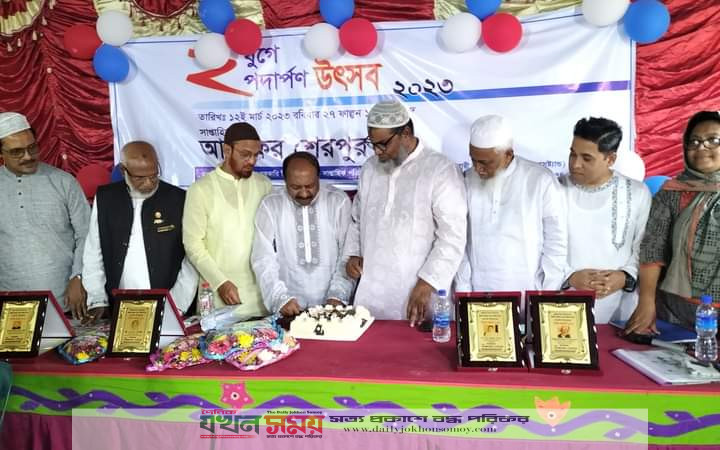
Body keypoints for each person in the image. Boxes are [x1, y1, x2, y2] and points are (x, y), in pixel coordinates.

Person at [344, 101, 467, 324]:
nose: (377, 151)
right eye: (373, 144)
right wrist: (353, 253)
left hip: (418, 296)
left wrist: (427, 282)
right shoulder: (370, 168)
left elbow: (453, 236)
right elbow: (357, 219)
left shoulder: (440, 169)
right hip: (371, 296)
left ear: (406, 133)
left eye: (383, 144)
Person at [455, 115, 567, 307]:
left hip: (528, 294)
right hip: (478, 297)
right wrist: (464, 292)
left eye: (486, 162)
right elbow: (461, 243)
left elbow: (556, 244)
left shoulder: (540, 180)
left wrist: (545, 297)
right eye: (474, 160)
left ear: (508, 154)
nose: (479, 169)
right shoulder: (465, 180)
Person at [626, 111, 720, 333]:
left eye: (713, 140)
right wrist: (646, 302)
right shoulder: (672, 193)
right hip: (679, 311)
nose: (701, 147)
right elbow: (652, 250)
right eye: (694, 141)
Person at [81, 142, 198, 320]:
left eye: (153, 176)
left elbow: (191, 257)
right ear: (123, 171)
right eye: (140, 178)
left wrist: (176, 305)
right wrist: (97, 299)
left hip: (169, 304)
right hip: (119, 303)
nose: (149, 183)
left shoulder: (178, 198)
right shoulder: (106, 198)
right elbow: (93, 250)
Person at [560, 118, 651, 324]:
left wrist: (624, 277)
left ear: (610, 159)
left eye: (586, 158)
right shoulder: (554, 189)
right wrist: (570, 277)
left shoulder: (637, 193)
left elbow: (643, 246)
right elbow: (542, 246)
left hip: (619, 302)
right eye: (572, 154)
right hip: (564, 301)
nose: (575, 164)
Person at [0, 112, 90, 318]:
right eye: (17, 152)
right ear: (1, 153)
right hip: (10, 303)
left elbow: (87, 235)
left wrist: (78, 276)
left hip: (64, 299)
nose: (28, 156)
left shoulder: (64, 182)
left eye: (32, 147)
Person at [183, 122, 271, 318]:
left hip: (261, 300)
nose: (252, 161)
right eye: (245, 154)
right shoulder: (201, 189)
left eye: (256, 155)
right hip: (219, 300)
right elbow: (193, 245)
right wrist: (220, 282)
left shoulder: (264, 185)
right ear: (227, 150)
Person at [251, 152, 354, 316]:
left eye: (310, 186)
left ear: (318, 178)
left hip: (333, 307)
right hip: (289, 307)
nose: (304, 193)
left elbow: (348, 254)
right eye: (295, 187)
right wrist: (280, 298)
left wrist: (338, 295)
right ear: (285, 182)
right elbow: (263, 258)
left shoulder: (338, 201)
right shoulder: (271, 204)